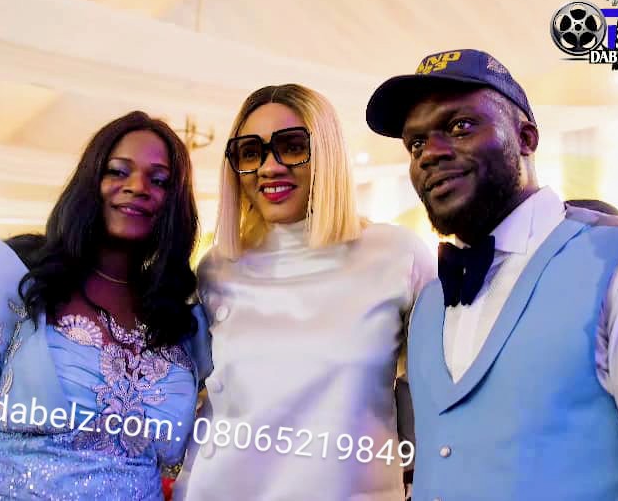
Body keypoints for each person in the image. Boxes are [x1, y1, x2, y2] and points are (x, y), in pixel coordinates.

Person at [366, 48, 618, 500]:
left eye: (460, 126)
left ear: (526, 137)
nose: (430, 155)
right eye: (416, 144)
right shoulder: (428, 305)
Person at [0, 111, 204, 499]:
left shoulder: (177, 316)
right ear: (90, 180)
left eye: (159, 180)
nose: (137, 187)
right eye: (118, 171)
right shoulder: (10, 276)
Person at [173, 84, 435, 500]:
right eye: (250, 152)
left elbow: (441, 395)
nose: (269, 167)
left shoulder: (397, 255)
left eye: (292, 147)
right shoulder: (217, 268)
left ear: (327, 151)